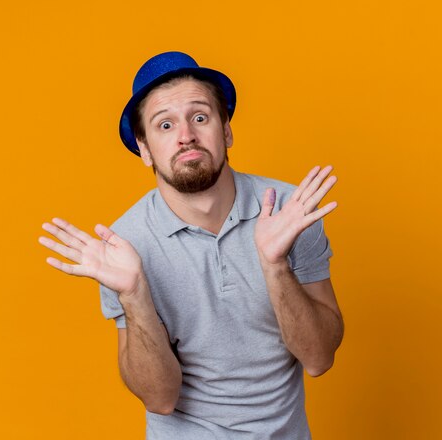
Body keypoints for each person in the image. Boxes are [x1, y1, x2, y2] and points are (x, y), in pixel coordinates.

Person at [39, 51, 344, 439]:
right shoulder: (123, 247)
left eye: (200, 117)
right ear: (145, 149)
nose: (186, 135)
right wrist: (133, 294)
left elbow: (319, 360)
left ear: (227, 131)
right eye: (165, 125)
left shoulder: (290, 211)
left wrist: (275, 265)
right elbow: (160, 399)